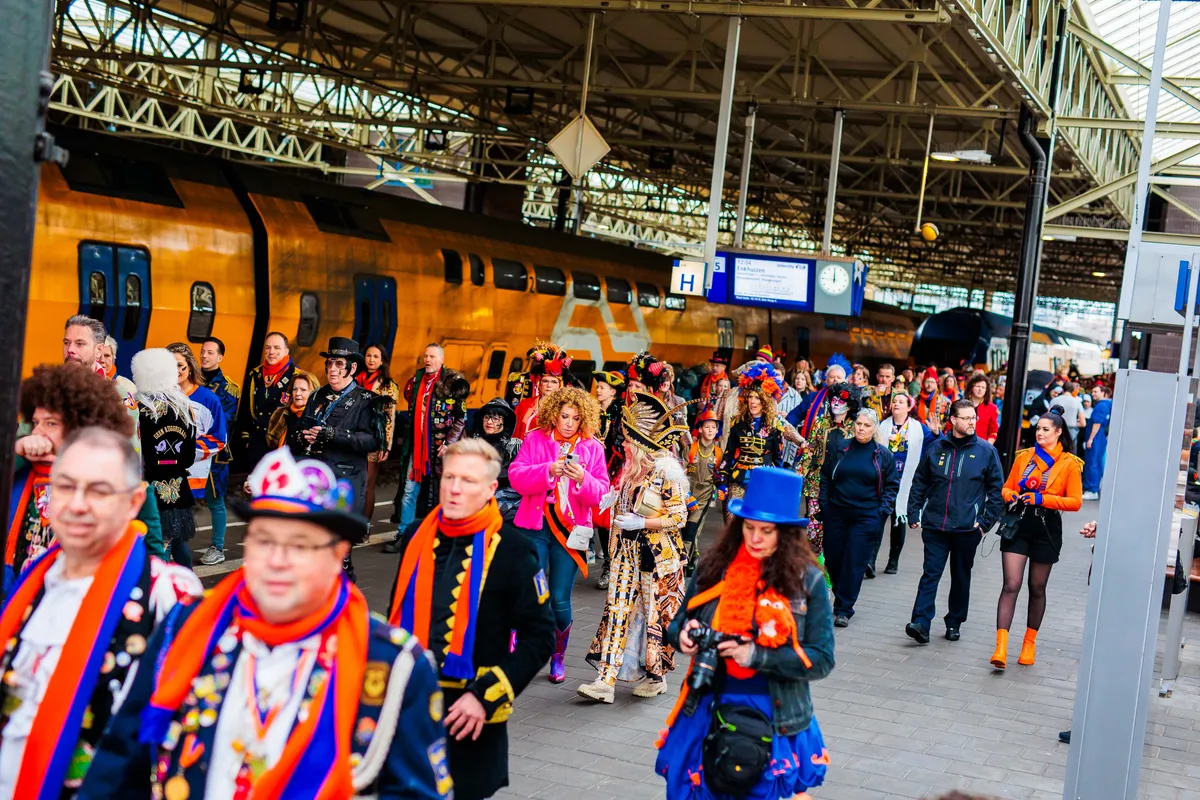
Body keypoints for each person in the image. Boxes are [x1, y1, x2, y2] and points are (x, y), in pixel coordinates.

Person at [81, 446, 451, 800]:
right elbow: (120, 758)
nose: (277, 560)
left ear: (339, 553)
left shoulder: (393, 664)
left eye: (301, 545)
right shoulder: (188, 624)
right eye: (263, 540)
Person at [0, 427, 201, 800]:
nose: (77, 504)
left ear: (133, 501)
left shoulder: (168, 593)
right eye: (65, 486)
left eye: (99, 490)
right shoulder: (33, 578)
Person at [385, 439, 553, 800]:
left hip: (469, 716)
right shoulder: (416, 534)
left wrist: (484, 697)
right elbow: (394, 617)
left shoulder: (514, 549)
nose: (455, 488)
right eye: (449, 477)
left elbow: (540, 637)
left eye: (468, 480)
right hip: (408, 708)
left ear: (492, 487)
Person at [655, 467, 833, 800]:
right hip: (710, 705)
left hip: (775, 712)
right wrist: (682, 636)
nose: (755, 539)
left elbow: (822, 659)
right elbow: (677, 622)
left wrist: (756, 655)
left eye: (766, 531)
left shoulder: (808, 580)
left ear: (786, 534)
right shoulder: (714, 566)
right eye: (749, 527)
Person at [7, 364, 166, 588]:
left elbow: (155, 559)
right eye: (35, 423)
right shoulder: (23, 471)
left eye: (50, 423)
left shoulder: (122, 483)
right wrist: (16, 453)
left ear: (80, 427)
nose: (37, 432)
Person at [580, 392, 690, 703]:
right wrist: (617, 499)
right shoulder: (631, 469)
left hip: (655, 559)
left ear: (641, 444)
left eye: (628, 441)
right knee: (616, 612)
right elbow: (630, 500)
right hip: (624, 553)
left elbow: (679, 517)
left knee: (652, 617)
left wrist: (643, 524)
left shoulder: (668, 472)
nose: (624, 445)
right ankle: (605, 680)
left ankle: (656, 677)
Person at [508, 386, 610, 684]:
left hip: (570, 533)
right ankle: (514, 648)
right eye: (564, 416)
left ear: (584, 420)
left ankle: (557, 657)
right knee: (529, 589)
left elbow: (602, 494)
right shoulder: (535, 438)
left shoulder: (593, 448)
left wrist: (583, 479)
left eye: (575, 418)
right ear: (554, 414)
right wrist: (547, 470)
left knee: (559, 601)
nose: (568, 423)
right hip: (535, 527)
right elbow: (516, 476)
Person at [904, 399, 1005, 644]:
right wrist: (913, 511)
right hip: (935, 525)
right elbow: (920, 481)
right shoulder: (936, 448)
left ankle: (954, 622)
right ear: (953, 420)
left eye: (974, 418)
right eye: (967, 418)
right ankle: (921, 623)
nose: (972, 422)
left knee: (961, 576)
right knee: (930, 574)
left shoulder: (985, 451)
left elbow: (998, 491)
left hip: (966, 529)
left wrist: (983, 524)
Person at [990, 412, 1083, 669]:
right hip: (1018, 524)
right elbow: (1007, 487)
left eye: (1045, 429)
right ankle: (1000, 647)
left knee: (1037, 587)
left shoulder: (1069, 463)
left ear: (1058, 432)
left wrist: (1041, 499)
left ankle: (1029, 644)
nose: (1039, 433)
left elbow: (1075, 502)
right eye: (1037, 429)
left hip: (1047, 527)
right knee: (1011, 584)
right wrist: (1011, 496)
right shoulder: (1023, 457)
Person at [300, 337, 391, 580]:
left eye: (339, 364)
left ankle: (343, 601)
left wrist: (332, 434)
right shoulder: (316, 397)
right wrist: (304, 437)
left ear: (352, 368)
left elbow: (372, 441)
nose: (332, 370)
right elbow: (299, 431)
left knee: (339, 552)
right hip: (316, 480)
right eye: (329, 364)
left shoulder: (367, 401)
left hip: (346, 481)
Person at [384, 343, 469, 550]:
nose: (428, 360)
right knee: (409, 491)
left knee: (441, 493)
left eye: (432, 356)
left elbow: (461, 417)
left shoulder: (453, 382)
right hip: (418, 448)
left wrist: (449, 443)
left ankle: (439, 535)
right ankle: (404, 534)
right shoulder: (416, 382)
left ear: (441, 359)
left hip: (442, 449)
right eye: (425, 356)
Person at [818, 408, 898, 627]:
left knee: (854, 561)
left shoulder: (883, 455)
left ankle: (844, 608)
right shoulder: (840, 448)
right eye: (859, 424)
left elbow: (892, 485)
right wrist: (824, 505)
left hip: (866, 516)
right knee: (833, 559)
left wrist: (882, 512)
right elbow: (825, 475)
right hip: (836, 512)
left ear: (874, 429)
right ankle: (840, 592)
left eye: (867, 425)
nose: (861, 429)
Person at [132, 349, 199, 569]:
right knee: (179, 547)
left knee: (157, 551)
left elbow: (139, 455)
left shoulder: (140, 410)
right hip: (178, 490)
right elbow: (189, 457)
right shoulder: (185, 408)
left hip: (151, 491)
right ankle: (189, 587)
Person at [166, 344, 228, 545]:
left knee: (175, 529)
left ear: (190, 368)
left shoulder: (208, 399)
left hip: (192, 473)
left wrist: (188, 450)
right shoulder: (158, 396)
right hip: (161, 472)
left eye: (180, 366)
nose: (176, 371)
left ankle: (213, 549)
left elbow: (219, 438)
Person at [796, 382, 858, 559]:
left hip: (843, 486)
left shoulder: (855, 426)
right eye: (833, 399)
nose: (836, 403)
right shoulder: (821, 423)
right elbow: (810, 450)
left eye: (841, 400)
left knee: (835, 529)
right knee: (814, 530)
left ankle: (831, 569)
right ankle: (814, 567)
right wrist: (800, 475)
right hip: (817, 483)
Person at [717, 362, 787, 508]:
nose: (753, 402)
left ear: (765, 401)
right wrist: (722, 481)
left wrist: (779, 485)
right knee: (733, 519)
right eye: (750, 397)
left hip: (764, 480)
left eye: (757, 398)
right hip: (739, 478)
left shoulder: (774, 426)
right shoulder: (737, 424)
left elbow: (778, 459)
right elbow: (728, 455)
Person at [197, 337, 239, 566]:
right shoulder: (190, 380)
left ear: (220, 357)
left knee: (215, 501)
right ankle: (173, 542)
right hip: (189, 451)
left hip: (215, 453)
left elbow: (224, 421)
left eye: (210, 352)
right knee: (181, 498)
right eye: (203, 351)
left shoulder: (228, 388)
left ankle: (218, 546)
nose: (204, 356)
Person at [874, 392, 924, 576]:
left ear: (909, 407)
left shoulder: (918, 428)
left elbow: (935, 443)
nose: (896, 403)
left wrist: (936, 432)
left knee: (898, 520)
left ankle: (893, 561)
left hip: (904, 483)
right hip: (884, 480)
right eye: (894, 401)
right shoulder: (883, 425)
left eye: (901, 401)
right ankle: (870, 561)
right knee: (877, 520)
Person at [235, 331, 296, 473]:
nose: (271, 352)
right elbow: (246, 409)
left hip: (279, 444)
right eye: (268, 348)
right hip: (257, 441)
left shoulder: (295, 376)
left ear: (286, 351)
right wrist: (246, 437)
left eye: (276, 348)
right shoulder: (255, 374)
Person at [63, 316, 137, 425]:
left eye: (80, 344)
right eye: (66, 343)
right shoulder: (46, 390)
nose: (70, 350)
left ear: (98, 350)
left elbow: (129, 441)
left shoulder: (119, 396)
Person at [357, 343, 401, 520]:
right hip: (352, 438)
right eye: (368, 356)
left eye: (376, 357)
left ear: (382, 361)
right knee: (354, 484)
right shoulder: (354, 379)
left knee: (368, 484)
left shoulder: (388, 386)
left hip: (374, 440)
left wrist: (386, 445)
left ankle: (364, 526)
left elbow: (389, 420)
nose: (371, 360)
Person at [592, 370, 627, 588]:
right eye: (598, 387)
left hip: (615, 473)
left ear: (613, 392)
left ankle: (615, 564)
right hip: (596, 472)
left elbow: (623, 446)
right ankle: (608, 562)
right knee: (601, 521)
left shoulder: (621, 415)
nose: (598, 390)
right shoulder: (594, 412)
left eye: (602, 387)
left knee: (613, 521)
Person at [466, 397, 523, 520]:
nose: (489, 422)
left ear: (505, 421)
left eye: (496, 418)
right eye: (486, 417)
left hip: (506, 508)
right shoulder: (473, 446)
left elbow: (520, 482)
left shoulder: (515, 446)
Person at [683, 408, 722, 570]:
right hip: (687, 494)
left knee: (692, 528)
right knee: (685, 528)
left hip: (704, 496)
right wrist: (687, 494)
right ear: (700, 429)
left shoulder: (718, 453)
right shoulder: (690, 449)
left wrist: (721, 487)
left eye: (713, 427)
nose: (710, 430)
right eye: (707, 426)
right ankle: (693, 557)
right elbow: (680, 475)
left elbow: (720, 475)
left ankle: (683, 564)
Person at [514, 342, 571, 439]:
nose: (549, 385)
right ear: (539, 384)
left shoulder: (567, 408)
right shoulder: (525, 405)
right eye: (545, 381)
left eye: (554, 382)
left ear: (560, 385)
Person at [265, 369, 320, 454]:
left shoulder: (318, 416)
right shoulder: (280, 413)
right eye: (295, 389)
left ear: (314, 393)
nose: (297, 393)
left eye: (303, 390)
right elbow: (270, 445)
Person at [962, 371, 999, 444]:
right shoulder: (961, 405)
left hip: (981, 447)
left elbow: (993, 432)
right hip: (961, 447)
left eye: (983, 387)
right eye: (978, 386)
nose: (980, 389)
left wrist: (987, 447)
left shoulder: (992, 408)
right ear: (971, 387)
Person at [914, 367, 950, 432]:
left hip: (937, 435)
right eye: (927, 381)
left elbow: (947, 421)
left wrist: (938, 430)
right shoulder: (915, 400)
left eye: (932, 382)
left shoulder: (945, 401)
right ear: (923, 383)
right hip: (918, 433)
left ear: (936, 384)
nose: (929, 384)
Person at [1050, 381, 1086, 446]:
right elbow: (1083, 423)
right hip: (1071, 433)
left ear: (1063, 389)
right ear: (1073, 390)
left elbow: (1048, 417)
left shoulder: (1054, 400)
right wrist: (1073, 423)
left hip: (1056, 431)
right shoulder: (1077, 402)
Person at [696, 351, 729, 415]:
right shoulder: (703, 378)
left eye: (717, 366)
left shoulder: (730, 383)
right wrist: (698, 404)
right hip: (703, 414)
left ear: (724, 367)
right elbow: (695, 396)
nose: (714, 368)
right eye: (713, 365)